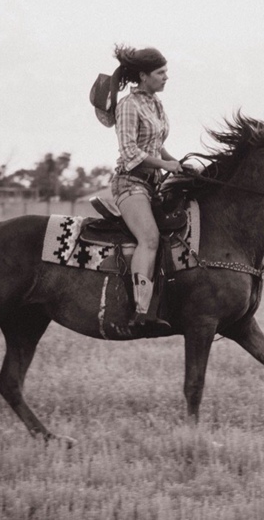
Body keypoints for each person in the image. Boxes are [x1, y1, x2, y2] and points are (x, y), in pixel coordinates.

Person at [100, 45, 182, 328]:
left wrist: (180, 163)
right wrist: (166, 166)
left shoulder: (155, 103)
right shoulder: (128, 106)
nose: (166, 77)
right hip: (130, 184)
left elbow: (158, 146)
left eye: (166, 72)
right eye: (161, 73)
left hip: (152, 186)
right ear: (144, 75)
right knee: (149, 238)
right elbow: (130, 152)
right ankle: (140, 311)